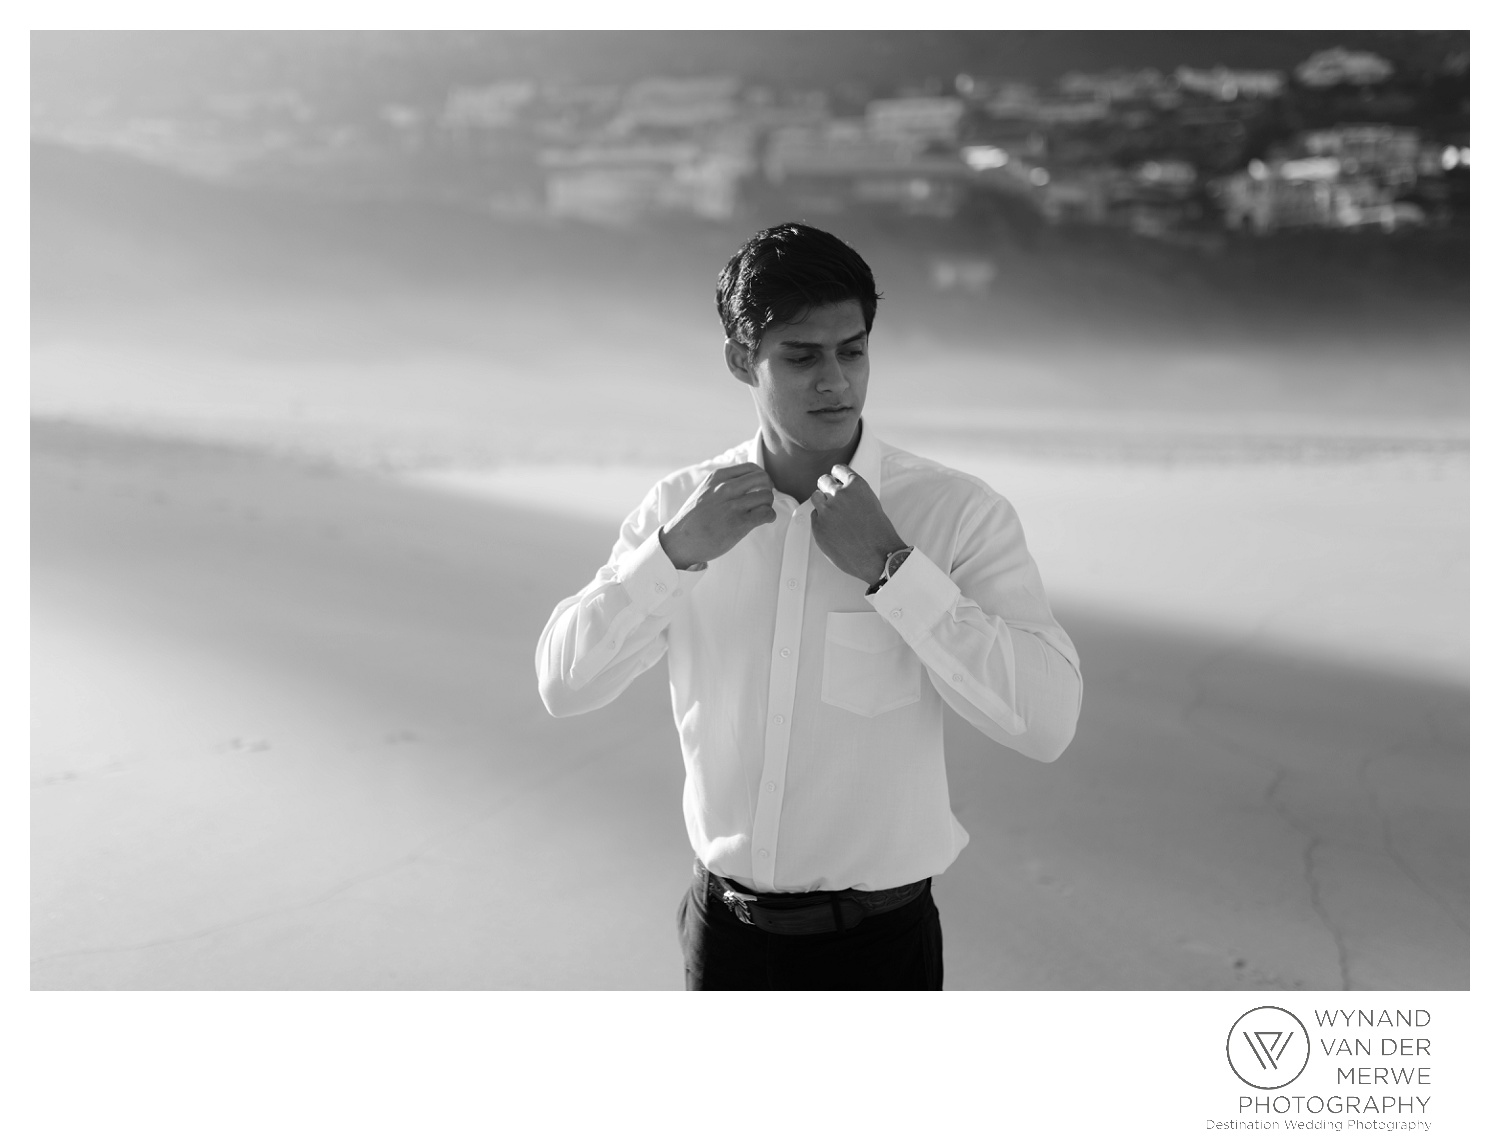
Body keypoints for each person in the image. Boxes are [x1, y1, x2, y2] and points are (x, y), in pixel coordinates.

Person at [536, 222, 1082, 990]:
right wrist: (675, 553)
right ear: (740, 361)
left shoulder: (955, 513)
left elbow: (1049, 721)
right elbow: (565, 683)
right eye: (801, 355)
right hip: (722, 940)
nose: (835, 379)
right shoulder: (680, 508)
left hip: (880, 950)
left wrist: (895, 570)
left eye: (851, 350)